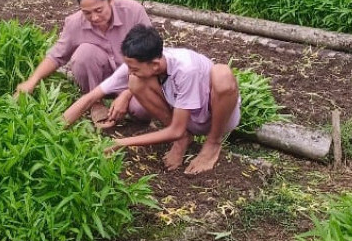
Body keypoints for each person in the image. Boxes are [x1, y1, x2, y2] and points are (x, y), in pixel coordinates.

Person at [63, 24, 241, 175]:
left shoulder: (187, 69)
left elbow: (176, 129)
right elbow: (92, 96)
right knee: (135, 82)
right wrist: (57, 127)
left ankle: (212, 143)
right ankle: (183, 140)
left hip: (215, 118)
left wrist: (120, 143)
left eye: (134, 68)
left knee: (222, 74)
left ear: (155, 65)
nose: (130, 71)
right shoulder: (143, 62)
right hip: (184, 119)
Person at [15, 0, 152, 124]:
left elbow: (151, 55)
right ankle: (95, 102)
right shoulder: (75, 23)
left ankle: (123, 104)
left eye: (99, 10)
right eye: (87, 13)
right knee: (85, 53)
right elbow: (56, 56)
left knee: (142, 111)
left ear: (111, 0)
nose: (94, 17)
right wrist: (32, 81)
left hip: (134, 79)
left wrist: (127, 95)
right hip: (100, 83)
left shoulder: (133, 12)